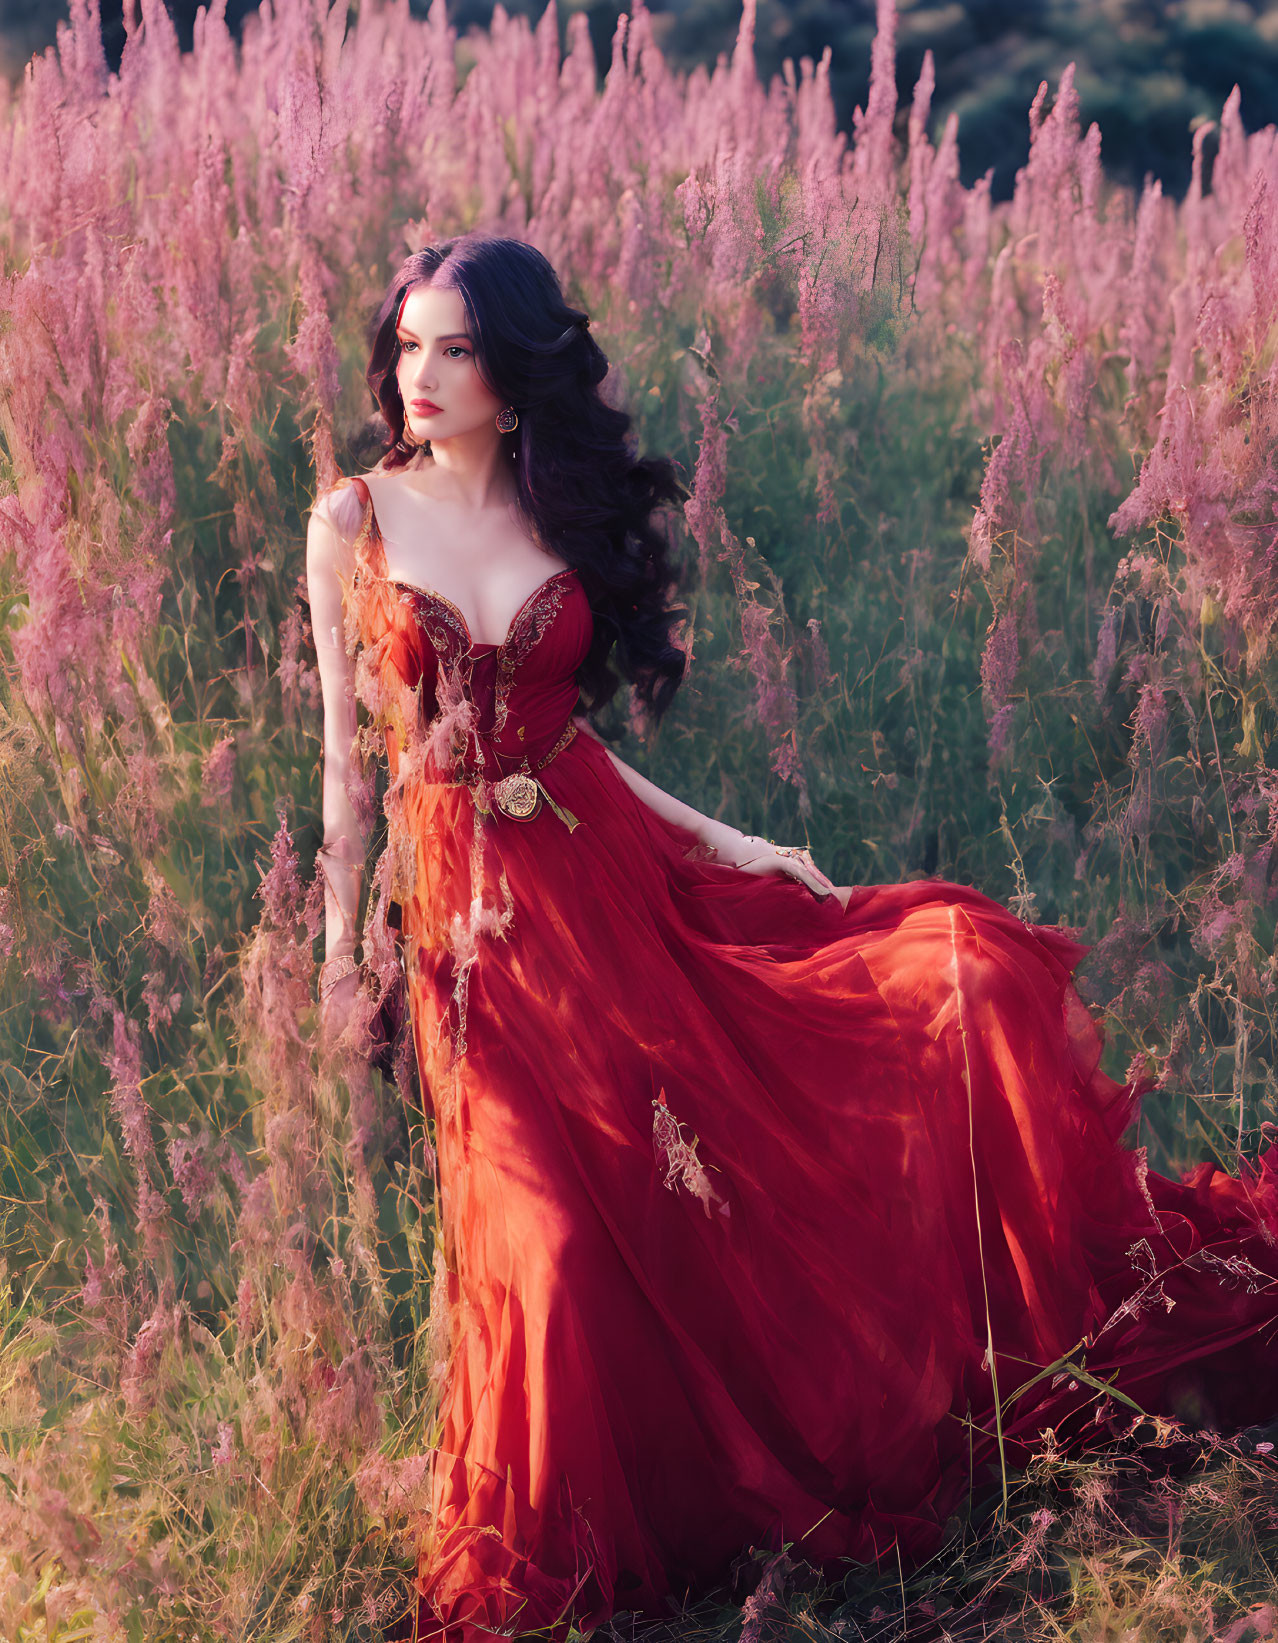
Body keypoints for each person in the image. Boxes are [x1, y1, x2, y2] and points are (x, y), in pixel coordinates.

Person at [305, 233, 1278, 1643]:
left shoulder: (550, 509)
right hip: (468, 925)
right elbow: (347, 765)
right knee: (558, 1237)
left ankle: (701, 1507)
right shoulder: (354, 523)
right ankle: (551, 1536)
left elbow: (563, 743)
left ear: (515, 376)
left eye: (455, 349)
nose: (422, 376)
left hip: (608, 885)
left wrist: (730, 841)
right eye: (407, 346)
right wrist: (343, 951)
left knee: (843, 1058)